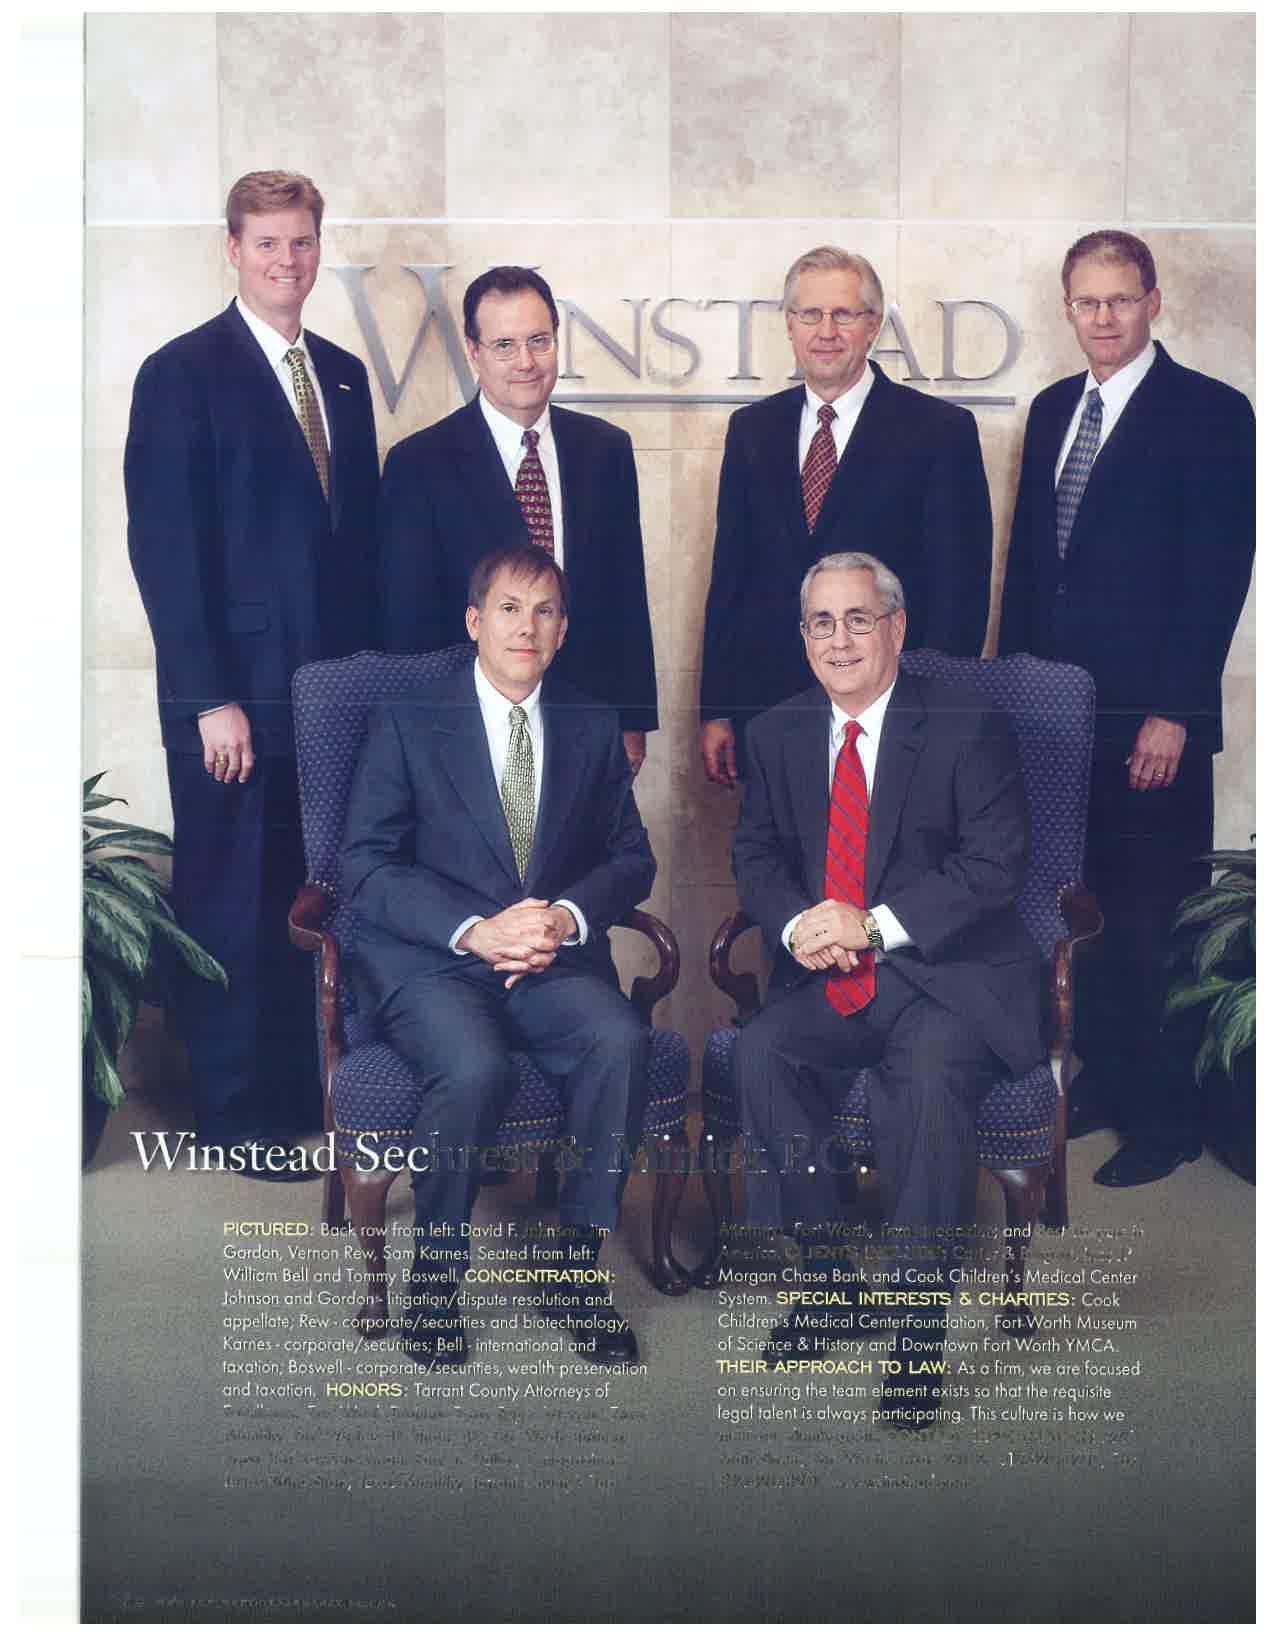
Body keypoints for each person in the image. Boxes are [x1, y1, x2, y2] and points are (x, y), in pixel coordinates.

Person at [731, 552, 1042, 1429]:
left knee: (929, 1074)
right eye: (821, 623)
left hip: (947, 974)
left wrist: (869, 926)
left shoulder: (967, 723)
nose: (840, 641)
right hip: (831, 973)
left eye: (858, 619)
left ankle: (918, 1328)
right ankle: (830, 1285)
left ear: (896, 628)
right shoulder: (776, 733)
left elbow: (994, 867)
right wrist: (799, 925)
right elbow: (755, 855)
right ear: (804, 637)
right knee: (762, 1051)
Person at [124, 169, 380, 1179]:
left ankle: (302, 1094)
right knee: (233, 900)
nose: (287, 260)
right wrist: (208, 699)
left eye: (302, 241)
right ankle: (233, 1116)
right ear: (232, 249)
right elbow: (166, 551)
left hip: (331, 697)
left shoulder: (344, 377)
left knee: (308, 898)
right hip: (232, 699)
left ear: (320, 247)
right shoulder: (180, 373)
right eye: (267, 242)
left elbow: (354, 548)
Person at [342, 546, 655, 1369]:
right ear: (475, 621)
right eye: (511, 608)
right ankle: (435, 1282)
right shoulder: (410, 718)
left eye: (545, 611)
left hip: (549, 960)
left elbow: (632, 858)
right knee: (472, 1066)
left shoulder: (591, 723)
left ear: (563, 631)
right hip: (436, 961)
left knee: (621, 1039)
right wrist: (474, 930)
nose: (527, 627)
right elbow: (365, 866)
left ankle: (577, 1269)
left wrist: (562, 916)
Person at [999, 230, 1255, 1188]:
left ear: (1153, 301)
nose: (1102, 318)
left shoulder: (1213, 411)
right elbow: (1031, 566)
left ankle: (1168, 1119)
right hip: (1057, 719)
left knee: (1153, 919)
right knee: (1080, 911)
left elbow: (1218, 572)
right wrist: (1011, 690)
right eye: (1086, 301)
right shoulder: (1052, 409)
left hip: (1153, 722)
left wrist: (1175, 710)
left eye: (1120, 299)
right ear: (1067, 307)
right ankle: (1107, 1077)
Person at [699, 246, 993, 786]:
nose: (826, 331)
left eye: (844, 314)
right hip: (768, 707)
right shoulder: (752, 429)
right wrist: (717, 707)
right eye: (811, 314)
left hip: (894, 712)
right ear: (790, 324)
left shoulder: (940, 431)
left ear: (873, 324)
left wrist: (933, 712)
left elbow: (960, 593)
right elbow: (730, 577)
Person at [378, 265, 657, 774]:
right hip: (466, 729)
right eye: (504, 345)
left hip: (586, 720)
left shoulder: (605, 450)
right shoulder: (419, 464)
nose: (525, 362)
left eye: (538, 341)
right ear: (474, 351)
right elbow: (409, 623)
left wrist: (631, 718)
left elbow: (625, 596)